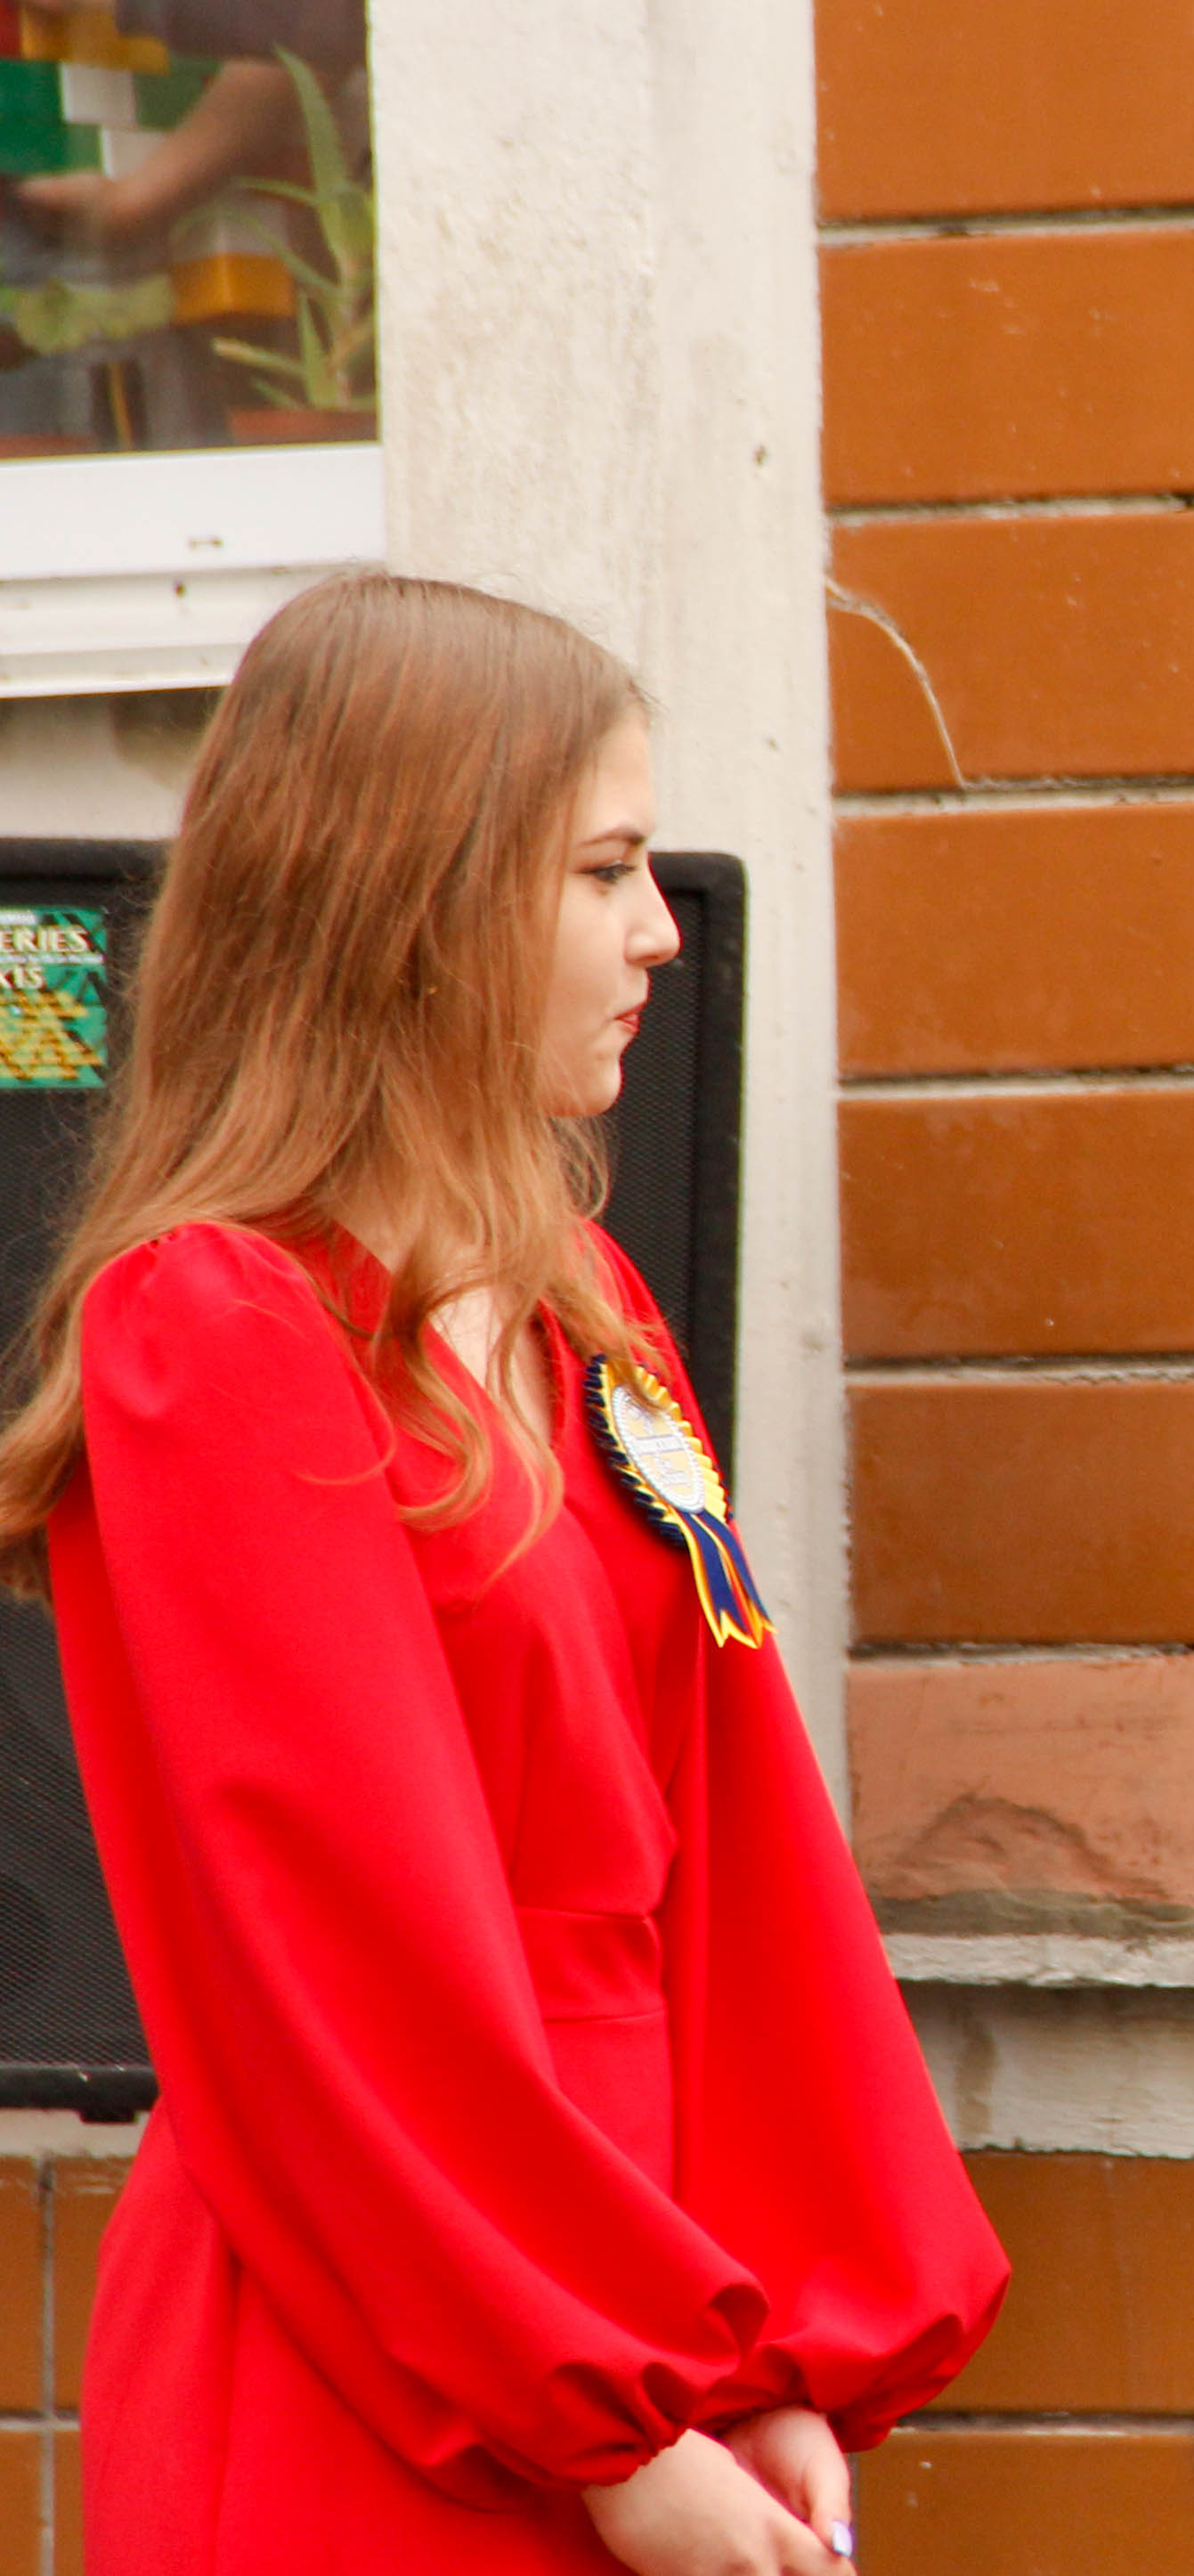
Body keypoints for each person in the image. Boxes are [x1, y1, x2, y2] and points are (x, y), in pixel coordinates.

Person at [0, 574, 1007, 2573]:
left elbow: (736, 1837)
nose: (659, 931)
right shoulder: (217, 1326)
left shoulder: (585, 1303)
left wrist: (768, 2345)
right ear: (422, 900)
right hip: (380, 2330)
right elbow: (332, 1948)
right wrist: (604, 2410)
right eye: (604, 870)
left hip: (631, 2306)